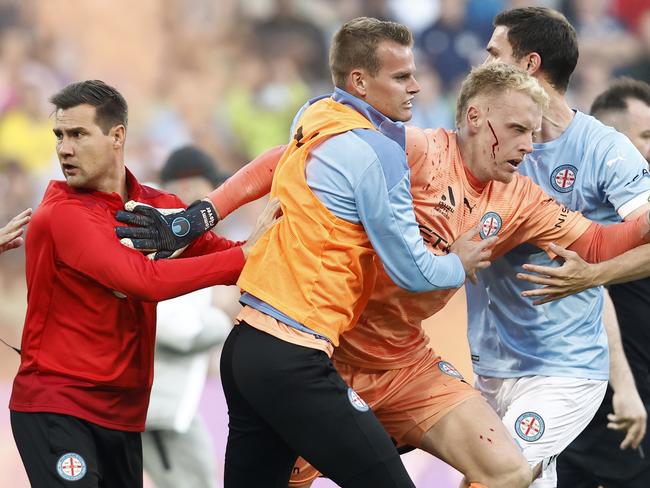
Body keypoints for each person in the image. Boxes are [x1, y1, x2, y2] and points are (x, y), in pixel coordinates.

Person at [121, 62, 650, 488]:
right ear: (473, 118)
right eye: (516, 130)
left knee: (509, 470)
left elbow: (603, 240)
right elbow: (287, 156)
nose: (528, 147)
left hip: (406, 363)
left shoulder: (522, 199)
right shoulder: (412, 151)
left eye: (534, 134)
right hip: (328, 358)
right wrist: (201, 214)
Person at [118, 16, 495, 488]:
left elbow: (273, 159)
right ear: (360, 81)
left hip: (245, 351)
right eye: (401, 76)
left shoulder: (314, 115)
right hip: (293, 357)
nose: (415, 86)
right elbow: (413, 272)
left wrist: (198, 216)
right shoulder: (378, 153)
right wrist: (457, 262)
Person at [9, 80, 278, 488]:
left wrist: (275, 243)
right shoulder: (60, 214)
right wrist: (243, 258)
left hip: (124, 414)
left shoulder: (158, 207)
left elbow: (225, 252)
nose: (64, 148)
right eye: (59, 136)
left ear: (117, 136)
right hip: (58, 406)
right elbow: (145, 281)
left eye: (78, 134)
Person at [466, 7, 650, 487]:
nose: (481, 62)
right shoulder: (485, 138)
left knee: (495, 478)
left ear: (527, 64)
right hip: (488, 362)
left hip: (563, 368)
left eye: (493, 53)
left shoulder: (602, 150)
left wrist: (594, 275)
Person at [522, 78, 650, 488]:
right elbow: (595, 294)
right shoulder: (593, 220)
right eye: (645, 137)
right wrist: (625, 389)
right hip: (607, 408)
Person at [141, 146, 232, 488]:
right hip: (160, 408)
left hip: (162, 403)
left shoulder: (174, 234)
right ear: (191, 185)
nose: (213, 201)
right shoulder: (162, 234)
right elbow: (175, 328)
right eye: (210, 188)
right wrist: (222, 320)